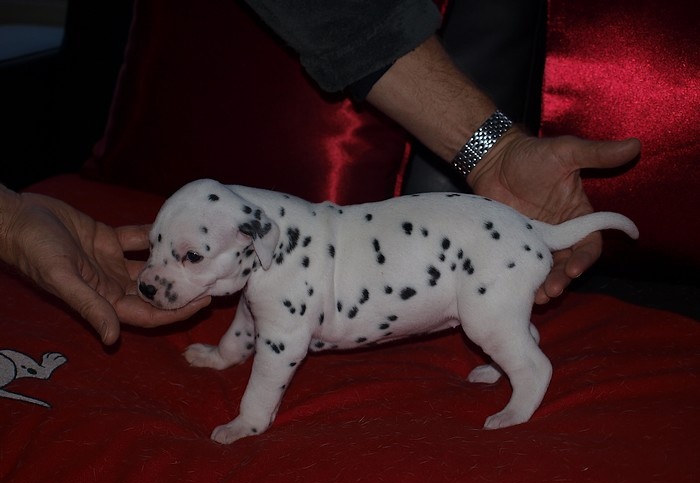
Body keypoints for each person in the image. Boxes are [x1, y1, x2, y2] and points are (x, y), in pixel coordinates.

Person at [0, 4, 641, 346]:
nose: (154, 274)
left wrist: (495, 152)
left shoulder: (269, 246)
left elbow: (346, 18)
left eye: (185, 255)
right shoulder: (258, 252)